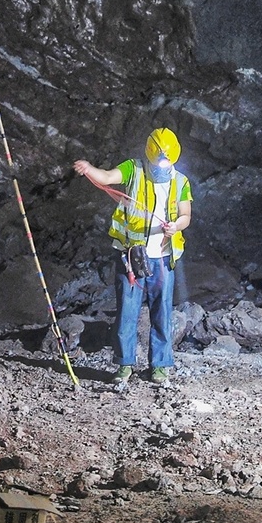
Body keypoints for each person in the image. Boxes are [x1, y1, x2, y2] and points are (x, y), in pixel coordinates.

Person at [73, 127, 193, 389]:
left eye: (166, 162)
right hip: (132, 255)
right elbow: (106, 177)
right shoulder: (133, 169)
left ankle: (159, 366)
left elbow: (186, 215)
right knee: (127, 312)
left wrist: (177, 226)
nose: (161, 167)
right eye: (157, 162)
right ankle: (124, 363)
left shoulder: (180, 181)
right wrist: (89, 169)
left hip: (162, 258)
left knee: (162, 313)